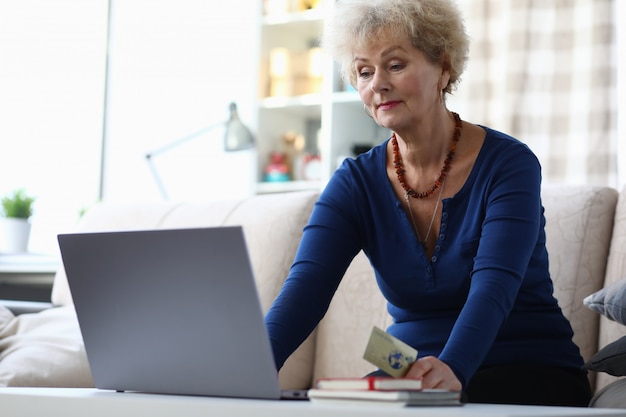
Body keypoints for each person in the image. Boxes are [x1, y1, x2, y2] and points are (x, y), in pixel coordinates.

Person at [264, 0, 592, 406]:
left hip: (527, 365)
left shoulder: (509, 164)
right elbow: (305, 290)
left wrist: (453, 367)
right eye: (364, 72)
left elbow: (495, 285)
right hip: (412, 374)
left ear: (444, 68)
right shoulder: (354, 184)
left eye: (395, 65)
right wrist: (250, 368)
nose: (378, 84)